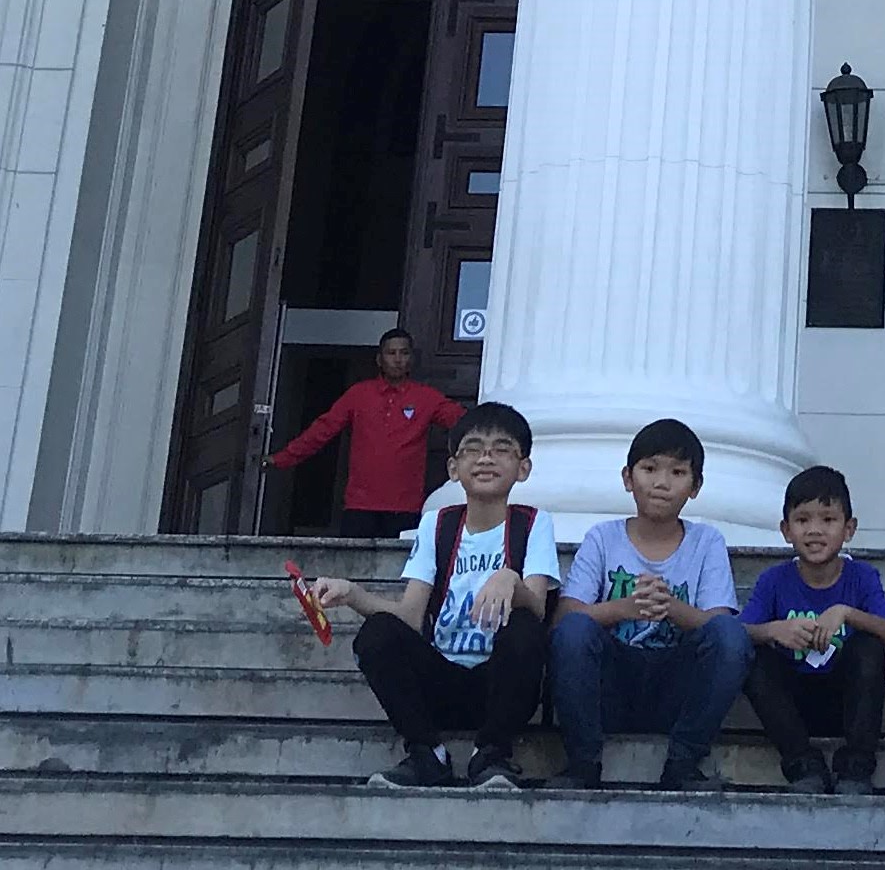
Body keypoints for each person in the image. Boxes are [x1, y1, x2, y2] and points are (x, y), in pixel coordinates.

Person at [303, 400, 556, 791]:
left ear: (523, 468)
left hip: (501, 682)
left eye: (501, 449)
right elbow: (409, 615)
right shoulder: (437, 524)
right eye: (473, 448)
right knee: (378, 633)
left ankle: (491, 754)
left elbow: (538, 608)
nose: (486, 459)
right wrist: (351, 594)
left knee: (524, 627)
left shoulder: (533, 523)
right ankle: (427, 753)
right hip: (441, 676)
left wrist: (510, 578)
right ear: (453, 468)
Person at [547, 416, 749, 791]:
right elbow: (564, 616)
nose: (661, 483)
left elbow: (720, 626)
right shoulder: (603, 538)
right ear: (628, 478)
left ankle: (684, 763)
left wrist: (670, 608)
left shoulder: (707, 542)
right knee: (575, 632)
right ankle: (583, 762)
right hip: (613, 682)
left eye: (677, 472)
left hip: (676, 686)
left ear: (695, 486)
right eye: (649, 469)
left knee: (730, 636)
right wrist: (624, 608)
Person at [740, 461, 885, 794]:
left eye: (828, 520)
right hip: (793, 703)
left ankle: (856, 769)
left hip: (845, 701)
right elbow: (737, 633)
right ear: (786, 530)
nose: (815, 531)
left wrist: (846, 613)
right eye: (802, 520)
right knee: (754, 659)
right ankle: (803, 765)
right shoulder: (774, 580)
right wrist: (774, 630)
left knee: (867, 648)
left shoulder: (862, 576)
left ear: (849, 528)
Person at [263, 325, 459, 537]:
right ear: (379, 359)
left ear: (411, 358)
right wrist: (282, 458)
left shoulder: (426, 397)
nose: (398, 359)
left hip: (405, 505)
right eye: (391, 353)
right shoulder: (359, 394)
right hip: (360, 504)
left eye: (404, 353)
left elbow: (466, 423)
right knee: (352, 568)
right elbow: (322, 431)